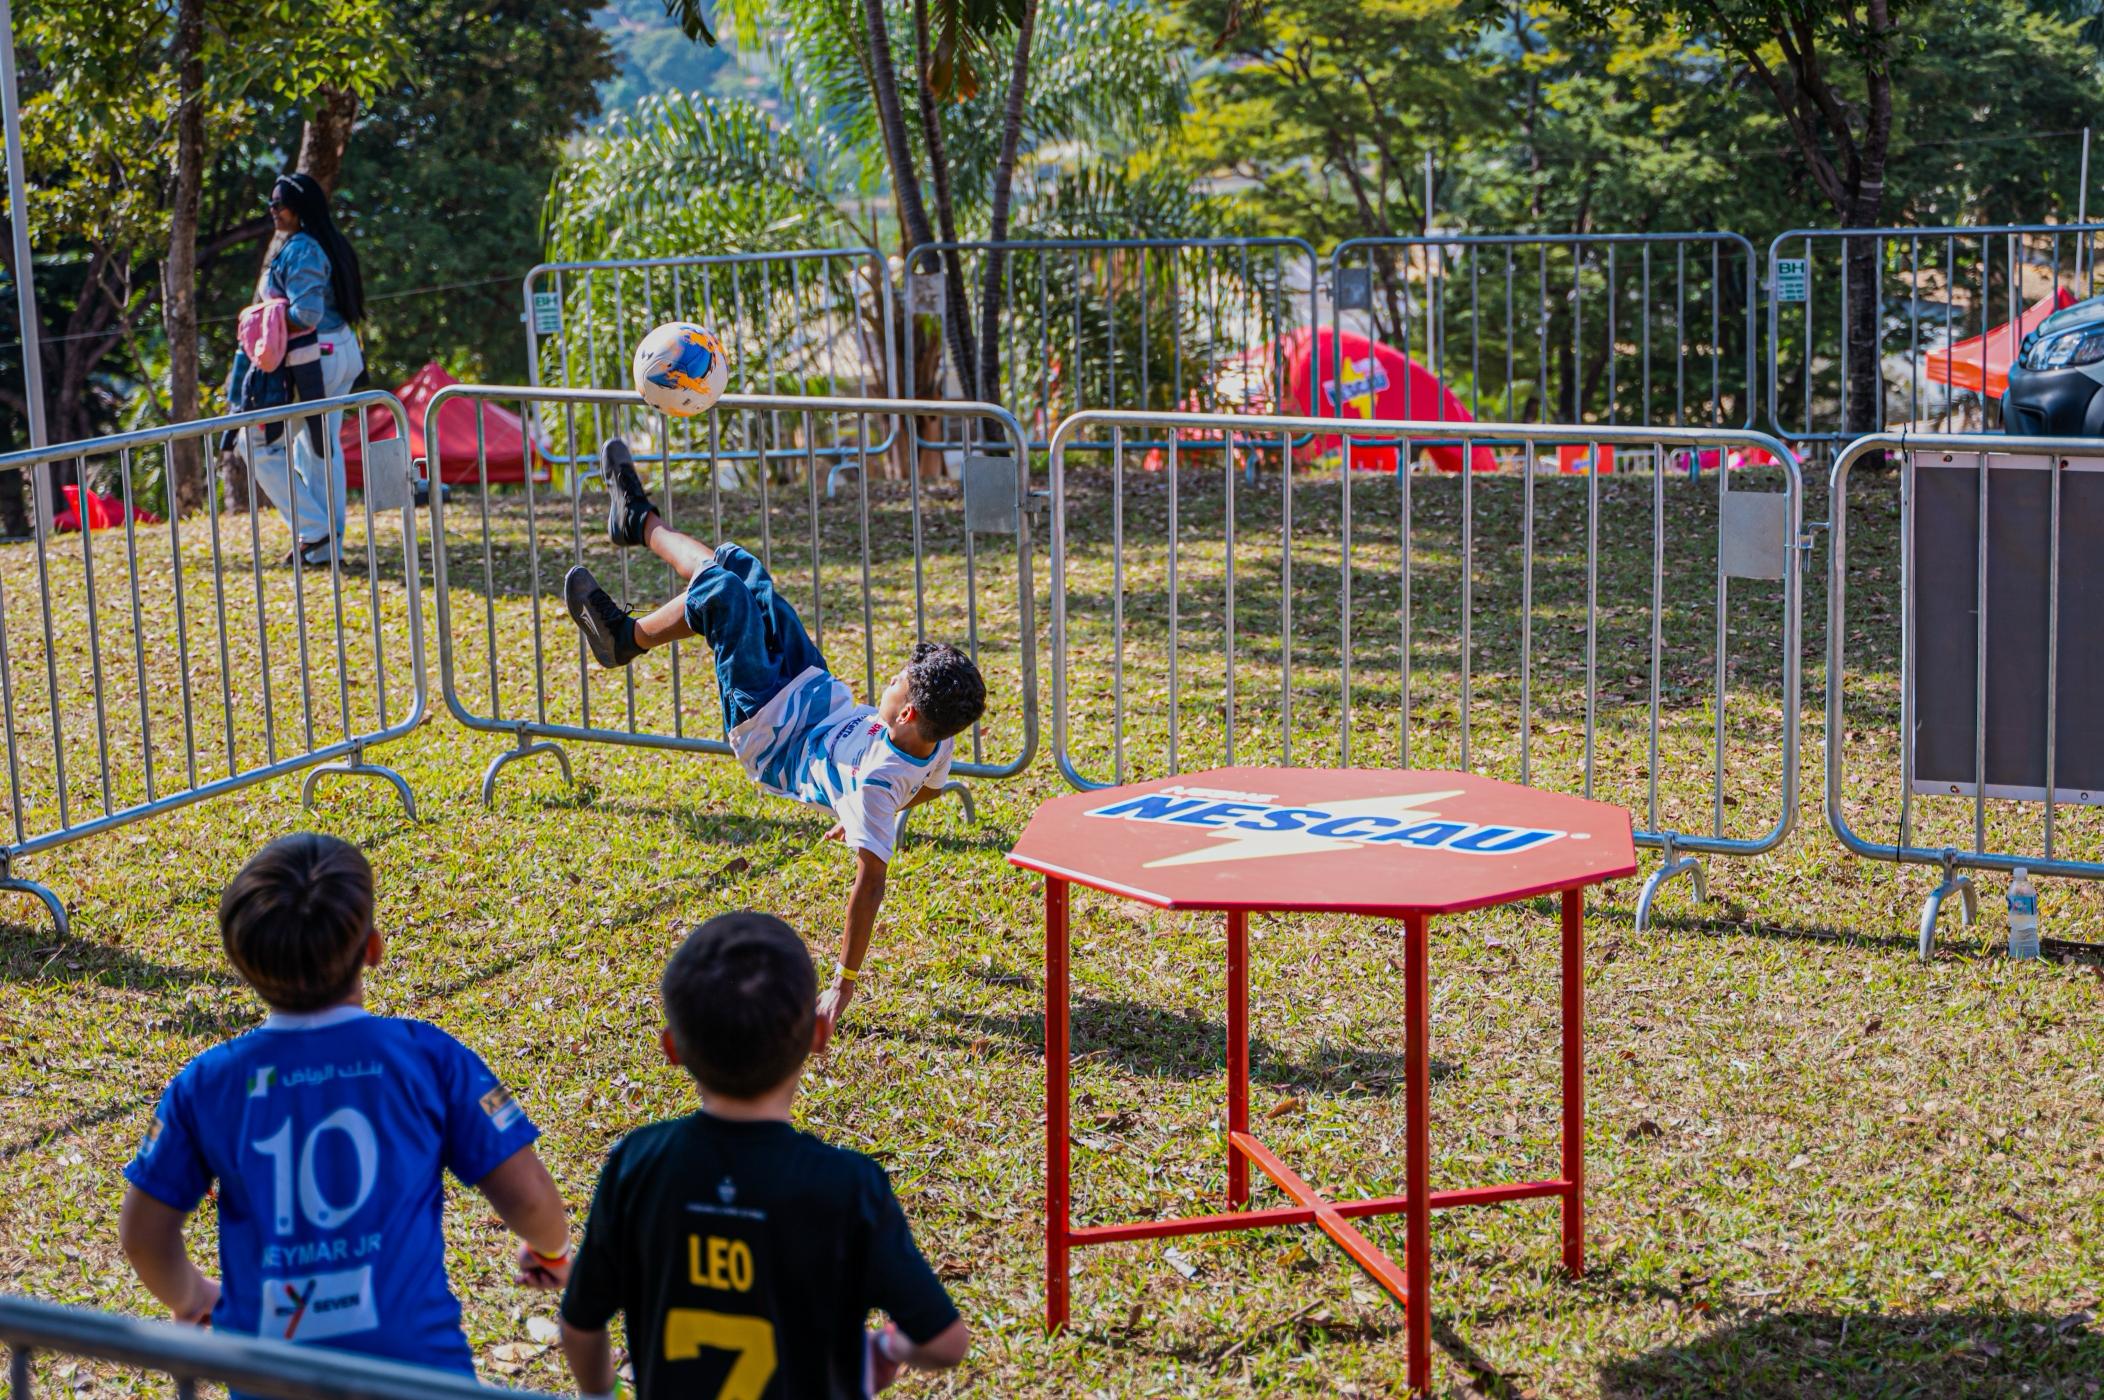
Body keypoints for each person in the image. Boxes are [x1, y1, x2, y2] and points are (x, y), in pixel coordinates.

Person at [562, 439, 987, 1043]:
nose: (888, 683)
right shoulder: (936, 742)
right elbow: (932, 790)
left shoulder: (874, 784)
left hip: (770, 726)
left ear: (907, 713)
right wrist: (875, 815)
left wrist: (843, 980)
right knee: (736, 564)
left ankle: (624, 638)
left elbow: (870, 884)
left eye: (895, 683)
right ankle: (637, 521)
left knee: (722, 594)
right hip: (809, 685)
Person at [118, 833, 573, 1384]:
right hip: (419, 1376)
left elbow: (142, 1234)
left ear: (241, 964)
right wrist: (550, 1248)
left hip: (271, 1380)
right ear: (373, 949)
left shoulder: (206, 1083)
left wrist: (191, 1294)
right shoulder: (428, 1058)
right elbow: (529, 1198)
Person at [559, 911, 969, 1399]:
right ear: (818, 1036)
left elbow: (581, 1322)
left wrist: (598, 1393)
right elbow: (945, 1343)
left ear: (673, 1049)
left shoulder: (637, 1163)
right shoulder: (848, 1185)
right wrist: (884, 1350)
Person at [242, 172, 367, 567]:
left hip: (317, 357)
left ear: (299, 209)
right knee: (317, 448)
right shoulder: (320, 243)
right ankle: (323, 547)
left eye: (279, 204)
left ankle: (315, 532)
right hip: (337, 350)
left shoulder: (301, 250)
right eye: (272, 203)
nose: (273, 210)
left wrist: (263, 320)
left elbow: (307, 312)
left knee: (257, 444)